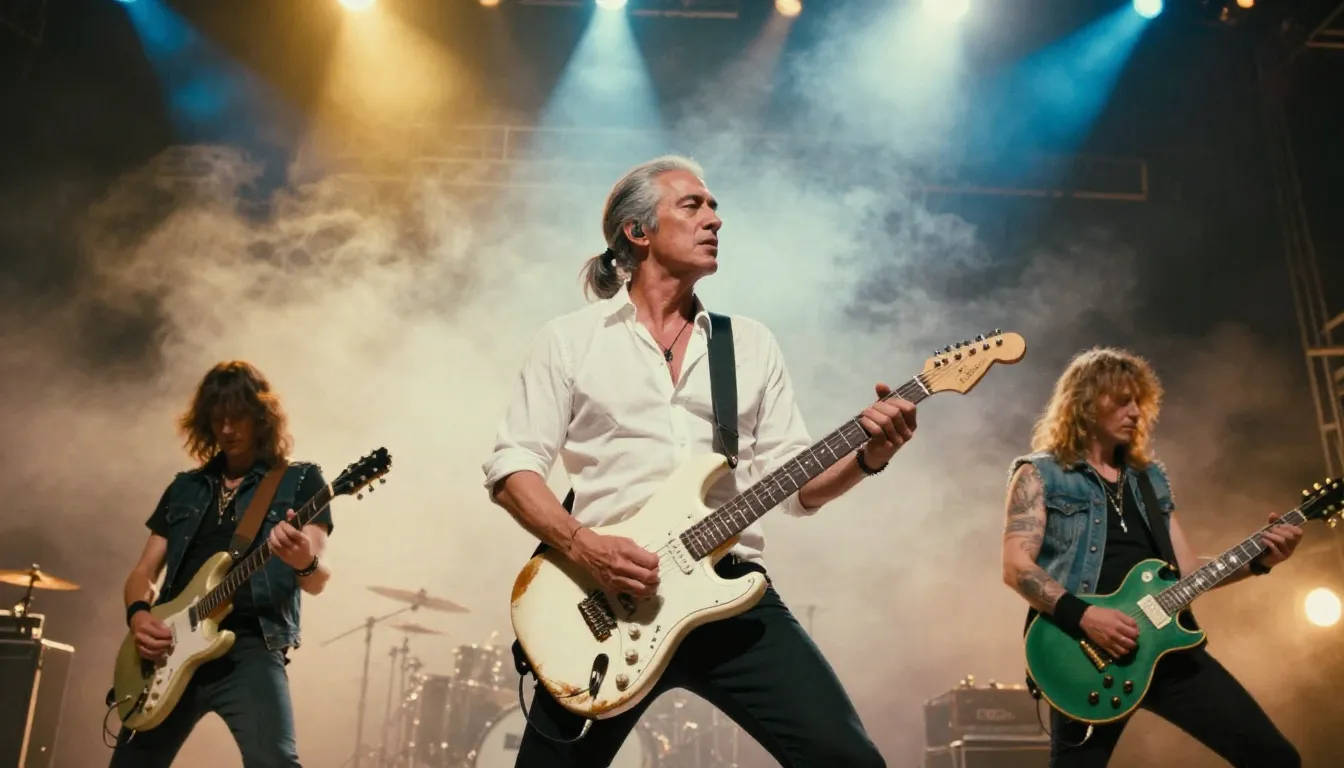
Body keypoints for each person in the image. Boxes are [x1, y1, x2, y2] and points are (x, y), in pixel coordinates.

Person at [482, 155, 913, 767]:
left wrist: (870, 456)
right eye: (693, 205)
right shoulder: (570, 340)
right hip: (605, 596)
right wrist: (586, 547)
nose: (715, 219)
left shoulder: (749, 344)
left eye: (714, 207)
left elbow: (798, 487)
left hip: (729, 592)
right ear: (637, 230)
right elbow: (512, 467)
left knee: (848, 761)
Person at [1000, 347, 1302, 768]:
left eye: (1139, 402)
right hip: (1084, 655)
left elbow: (1188, 571)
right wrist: (1086, 617)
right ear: (1086, 402)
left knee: (1276, 759)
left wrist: (1259, 560)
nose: (1135, 412)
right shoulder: (1040, 473)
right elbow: (1016, 567)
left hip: (1167, 650)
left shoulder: (1150, 478)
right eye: (1123, 400)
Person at [109, 360, 334, 768]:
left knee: (275, 761)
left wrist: (302, 559)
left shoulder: (300, 481)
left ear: (261, 417)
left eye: (237, 417)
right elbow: (143, 572)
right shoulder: (185, 488)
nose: (227, 429)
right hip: (170, 650)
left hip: (250, 649)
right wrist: (139, 615)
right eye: (218, 419)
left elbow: (317, 579)